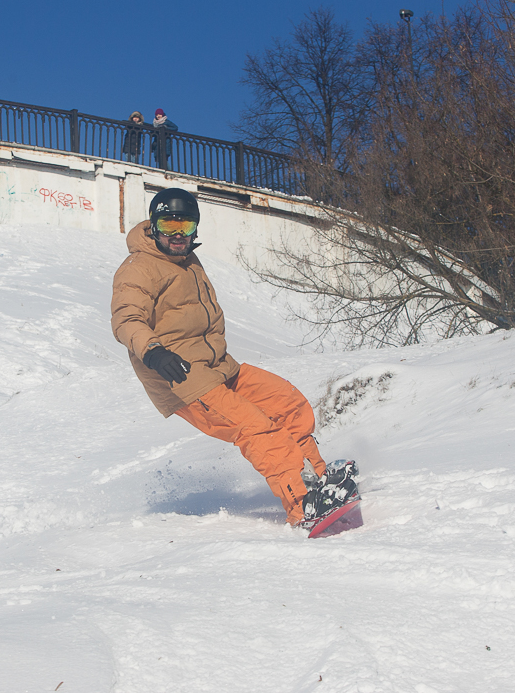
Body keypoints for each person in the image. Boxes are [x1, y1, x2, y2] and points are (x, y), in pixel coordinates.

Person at [110, 188, 356, 527]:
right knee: (257, 428)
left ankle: (318, 478)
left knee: (287, 404)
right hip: (179, 377)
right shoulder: (139, 268)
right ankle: (303, 505)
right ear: (153, 226)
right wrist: (153, 352)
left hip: (218, 367)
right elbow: (126, 319)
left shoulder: (188, 261)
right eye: (168, 226)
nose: (178, 235)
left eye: (186, 226)